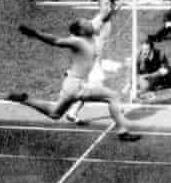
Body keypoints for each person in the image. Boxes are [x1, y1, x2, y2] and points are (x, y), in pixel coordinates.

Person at [7, 22, 141, 141]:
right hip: (76, 85)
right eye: (85, 23)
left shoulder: (88, 38)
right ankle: (122, 132)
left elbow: (102, 17)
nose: (89, 23)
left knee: (55, 113)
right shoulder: (77, 41)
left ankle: (25, 99)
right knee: (113, 96)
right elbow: (56, 40)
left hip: (70, 84)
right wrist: (35, 33)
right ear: (81, 31)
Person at [65, 0, 120, 124]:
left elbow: (112, 12)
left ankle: (72, 112)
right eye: (105, 4)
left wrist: (116, 4)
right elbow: (103, 19)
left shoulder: (106, 17)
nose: (108, 6)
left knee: (90, 89)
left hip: (96, 60)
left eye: (109, 4)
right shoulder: (96, 22)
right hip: (92, 61)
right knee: (98, 89)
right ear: (100, 7)